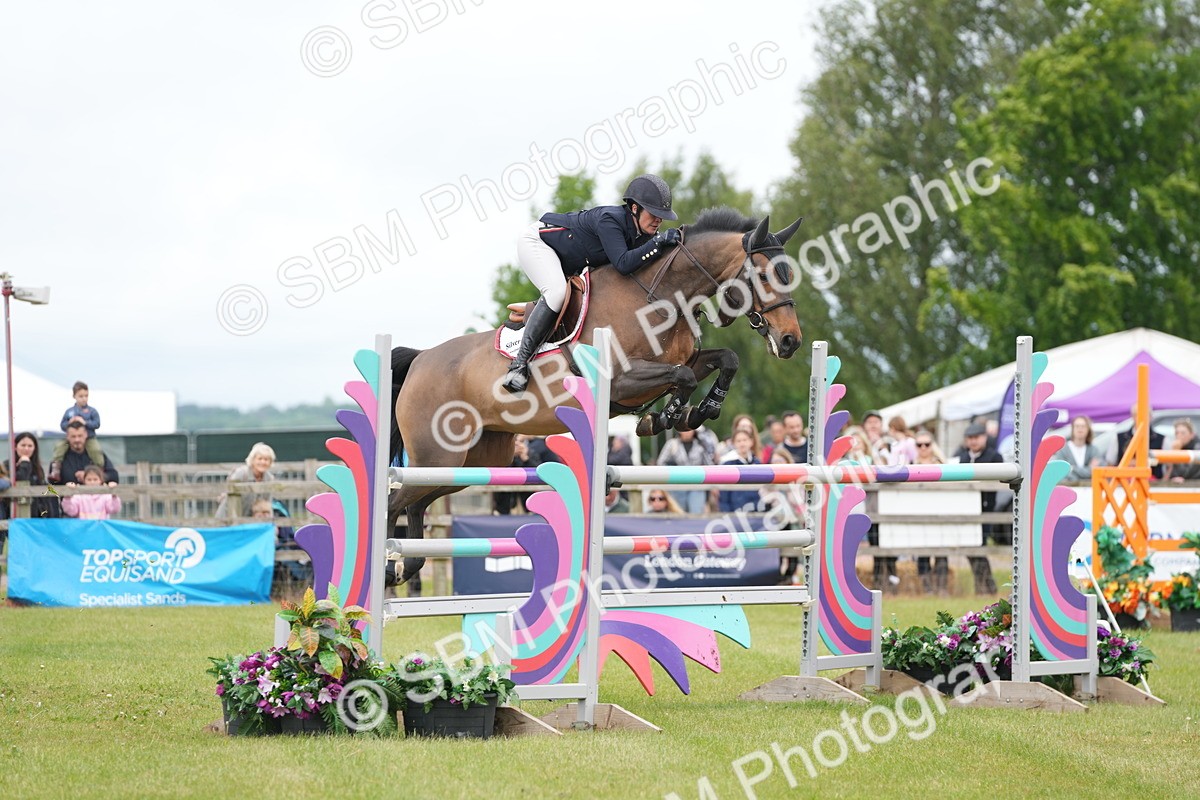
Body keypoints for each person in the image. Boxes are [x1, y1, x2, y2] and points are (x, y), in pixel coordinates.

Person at [501, 174, 681, 393]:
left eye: (662, 216)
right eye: (654, 214)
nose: (659, 220)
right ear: (634, 208)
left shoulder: (641, 233)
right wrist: (659, 242)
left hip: (566, 259)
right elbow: (624, 264)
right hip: (537, 244)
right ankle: (519, 365)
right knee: (556, 293)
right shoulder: (610, 220)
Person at [953, 422, 1004, 594]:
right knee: (971, 547)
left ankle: (986, 585)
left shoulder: (994, 456)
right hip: (967, 508)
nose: (973, 441)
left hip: (985, 508)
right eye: (970, 438)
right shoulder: (963, 457)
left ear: (984, 437)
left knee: (979, 546)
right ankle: (983, 585)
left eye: (976, 437)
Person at [912, 431, 949, 594]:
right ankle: (927, 589)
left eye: (926, 444)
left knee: (941, 551)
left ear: (932, 445)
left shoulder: (942, 464)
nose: (923, 448)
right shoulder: (910, 464)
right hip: (919, 514)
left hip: (940, 512)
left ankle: (942, 588)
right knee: (922, 553)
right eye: (919, 444)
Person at [48, 381, 104, 481]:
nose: (84, 399)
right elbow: (62, 425)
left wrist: (85, 422)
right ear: (74, 396)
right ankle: (56, 469)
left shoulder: (92, 411)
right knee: (60, 446)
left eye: (86, 396)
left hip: (89, 438)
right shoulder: (70, 411)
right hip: (71, 439)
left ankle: (99, 470)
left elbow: (97, 424)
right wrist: (70, 422)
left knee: (95, 450)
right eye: (81, 396)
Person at [656, 428, 711, 513]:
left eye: (690, 429)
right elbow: (661, 462)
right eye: (684, 429)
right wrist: (673, 469)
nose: (687, 432)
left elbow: (709, 464)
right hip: (677, 485)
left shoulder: (701, 444)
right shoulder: (672, 444)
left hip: (696, 485)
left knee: (696, 514)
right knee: (678, 514)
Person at [216, 442, 276, 518]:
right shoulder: (241, 473)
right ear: (253, 460)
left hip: (250, 520)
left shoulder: (269, 478)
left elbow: (268, 503)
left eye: (266, 459)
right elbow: (227, 493)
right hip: (228, 516)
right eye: (260, 459)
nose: (263, 462)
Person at [9, 432, 61, 519]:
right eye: (23, 445)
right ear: (15, 447)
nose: (26, 449)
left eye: (30, 446)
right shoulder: (8, 466)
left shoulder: (37, 468)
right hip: (17, 515)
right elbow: (21, 481)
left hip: (37, 516)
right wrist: (25, 463)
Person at [51, 421, 119, 487]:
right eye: (73, 436)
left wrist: (90, 475)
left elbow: (114, 476)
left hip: (95, 496)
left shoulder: (96, 454)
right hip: (69, 497)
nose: (77, 440)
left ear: (86, 434)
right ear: (67, 436)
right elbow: (52, 482)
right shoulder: (60, 457)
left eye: (80, 436)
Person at [1115, 404, 1165, 478]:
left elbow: (1167, 467)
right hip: (1124, 483)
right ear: (1132, 416)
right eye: (1137, 415)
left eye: (1145, 415)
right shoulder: (1119, 438)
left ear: (1151, 417)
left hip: (1153, 483)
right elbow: (1111, 463)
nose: (1141, 418)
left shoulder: (1162, 439)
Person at [718, 430, 761, 514]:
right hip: (736, 510)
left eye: (745, 440)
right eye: (739, 441)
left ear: (751, 441)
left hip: (756, 510)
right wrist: (726, 512)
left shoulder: (757, 463)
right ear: (734, 443)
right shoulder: (728, 465)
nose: (742, 443)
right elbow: (724, 493)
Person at [494, 434, 539, 515]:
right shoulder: (501, 455)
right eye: (514, 443)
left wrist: (525, 458)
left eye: (520, 442)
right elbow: (499, 473)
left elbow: (536, 472)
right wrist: (510, 456)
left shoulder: (531, 452)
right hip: (504, 504)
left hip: (527, 503)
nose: (517, 446)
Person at [1052, 415, 1102, 480]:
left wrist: (1072, 468)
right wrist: (1086, 471)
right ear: (1073, 429)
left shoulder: (1094, 450)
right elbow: (1061, 472)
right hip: (1068, 487)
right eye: (1077, 426)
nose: (1080, 429)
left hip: (1088, 488)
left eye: (1083, 426)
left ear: (1088, 429)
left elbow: (1093, 472)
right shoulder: (1063, 450)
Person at [1166, 418, 1200, 483]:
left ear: (1192, 435)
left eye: (1183, 433)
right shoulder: (1177, 447)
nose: (1179, 436)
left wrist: (1176, 453)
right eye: (1177, 433)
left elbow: (1186, 474)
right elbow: (1168, 474)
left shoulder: (1197, 449)